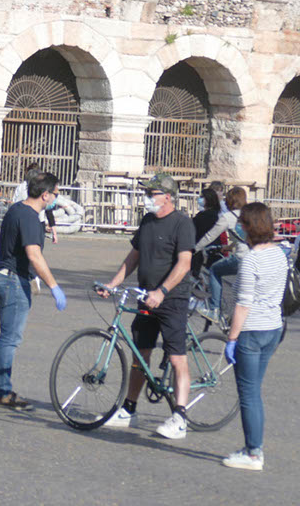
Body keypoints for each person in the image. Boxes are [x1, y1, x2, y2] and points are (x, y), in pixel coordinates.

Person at [100, 172, 195, 439]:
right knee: (140, 355)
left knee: (177, 357)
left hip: (171, 300)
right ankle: (129, 409)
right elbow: (134, 257)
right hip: (145, 297)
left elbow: (184, 263)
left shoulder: (182, 224)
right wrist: (113, 284)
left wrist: (163, 291)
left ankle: (180, 416)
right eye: (147, 193)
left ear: (168, 197)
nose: (147, 198)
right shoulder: (148, 221)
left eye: (151, 194)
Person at [0, 171, 67, 407]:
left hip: (4, 277)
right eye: (56, 194)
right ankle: (3, 391)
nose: (57, 199)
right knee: (10, 339)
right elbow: (34, 255)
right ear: (46, 195)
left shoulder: (17, 209)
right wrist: (54, 286)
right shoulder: (29, 216)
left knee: (6, 336)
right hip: (13, 281)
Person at [222, 202, 290, 471]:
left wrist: (231, 338)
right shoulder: (279, 254)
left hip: (252, 330)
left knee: (248, 394)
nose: (239, 227)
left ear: (250, 227)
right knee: (254, 392)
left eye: (242, 223)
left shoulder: (251, 259)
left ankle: (253, 453)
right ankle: (253, 446)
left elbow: (243, 304)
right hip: (273, 327)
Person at [197, 186, 247, 324]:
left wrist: (194, 248)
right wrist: (229, 247)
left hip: (241, 258)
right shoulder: (249, 213)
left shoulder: (228, 217)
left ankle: (214, 310)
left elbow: (209, 236)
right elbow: (245, 237)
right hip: (256, 257)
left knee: (215, 270)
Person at [190, 187, 222, 277]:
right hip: (207, 248)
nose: (199, 199)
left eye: (202, 197)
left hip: (204, 249)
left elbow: (196, 229)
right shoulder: (212, 213)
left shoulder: (207, 215)